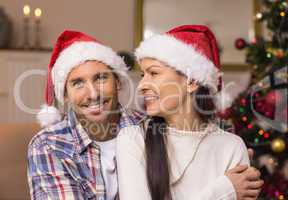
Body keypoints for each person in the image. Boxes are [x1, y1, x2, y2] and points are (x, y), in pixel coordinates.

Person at [116, 25, 264, 200]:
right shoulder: (133, 139)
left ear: (192, 81)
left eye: (153, 73)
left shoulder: (231, 146)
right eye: (143, 75)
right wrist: (224, 190)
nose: (141, 86)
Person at [27, 30, 143, 200]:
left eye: (101, 78)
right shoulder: (48, 145)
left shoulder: (147, 128)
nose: (93, 94)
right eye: (78, 83)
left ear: (117, 82)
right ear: (65, 95)